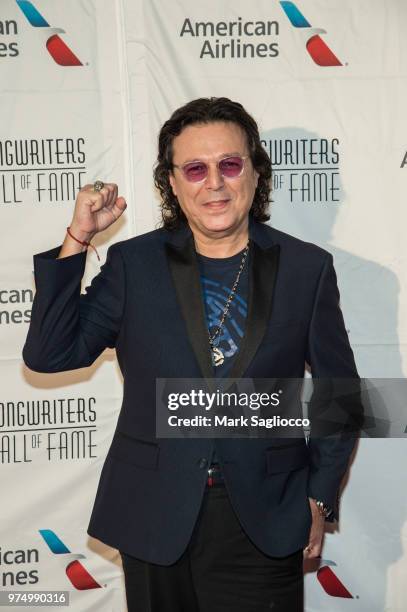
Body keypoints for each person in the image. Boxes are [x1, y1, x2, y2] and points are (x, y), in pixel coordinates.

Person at [23, 97, 359, 612]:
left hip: (266, 517)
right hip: (153, 512)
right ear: (174, 182)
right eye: (196, 169)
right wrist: (78, 237)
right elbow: (50, 354)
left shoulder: (306, 268)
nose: (215, 183)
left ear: (254, 171)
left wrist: (317, 497)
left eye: (229, 164)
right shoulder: (134, 264)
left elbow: (341, 398)